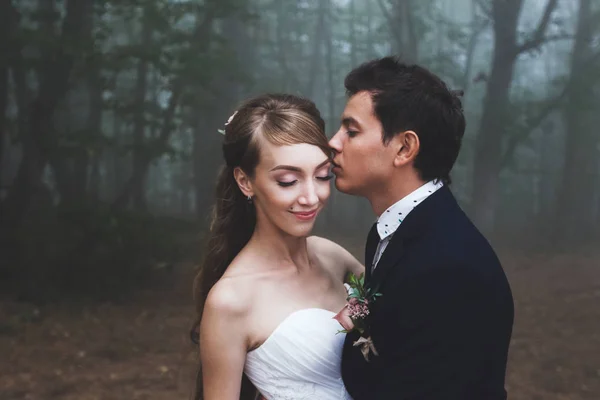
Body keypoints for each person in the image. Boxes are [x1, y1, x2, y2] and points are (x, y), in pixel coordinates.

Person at [330, 57, 514, 399]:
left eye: (351, 131)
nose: (333, 142)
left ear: (404, 147)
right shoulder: (392, 233)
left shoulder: (450, 268)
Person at [190, 93, 363, 400]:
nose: (312, 197)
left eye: (323, 175)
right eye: (287, 181)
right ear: (245, 181)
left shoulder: (332, 256)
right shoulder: (231, 301)